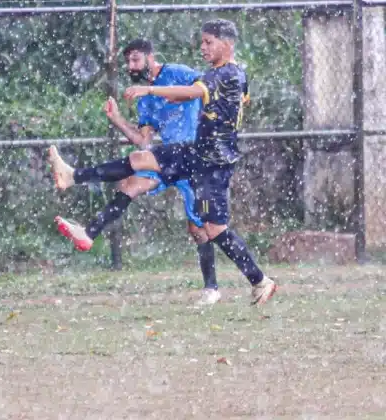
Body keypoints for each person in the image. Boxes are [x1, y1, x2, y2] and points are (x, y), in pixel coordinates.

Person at [49, 19, 277, 306]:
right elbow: (234, 98)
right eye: (202, 41)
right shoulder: (226, 72)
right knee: (140, 160)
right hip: (197, 152)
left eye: (208, 42)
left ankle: (256, 281)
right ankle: (72, 178)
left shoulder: (225, 73)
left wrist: (153, 91)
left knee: (212, 230)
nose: (202, 47)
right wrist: (121, 117)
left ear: (227, 44)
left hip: (213, 162)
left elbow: (195, 91)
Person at [52, 38, 221, 304]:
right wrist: (118, 119)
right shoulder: (143, 97)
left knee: (200, 229)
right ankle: (89, 231)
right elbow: (143, 140)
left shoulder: (177, 73)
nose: (131, 66)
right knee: (131, 183)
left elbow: (205, 89)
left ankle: (213, 287)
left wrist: (160, 93)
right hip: (166, 158)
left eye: (136, 59)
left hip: (193, 156)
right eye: (128, 61)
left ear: (151, 58)